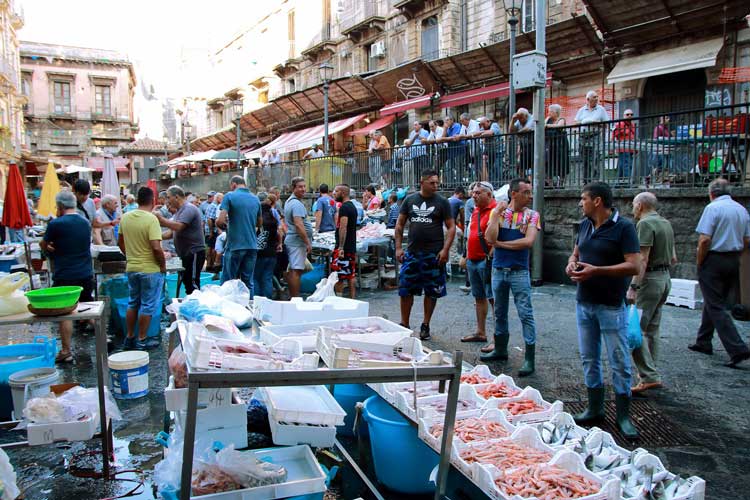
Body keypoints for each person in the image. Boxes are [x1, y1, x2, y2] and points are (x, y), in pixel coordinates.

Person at [565, 181, 641, 438]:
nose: (580, 202)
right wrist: (572, 263)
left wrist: (597, 271)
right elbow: (575, 253)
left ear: (597, 201)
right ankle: (594, 408)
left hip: (610, 305)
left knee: (618, 360)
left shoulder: (624, 227)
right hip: (584, 302)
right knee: (589, 358)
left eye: (583, 198)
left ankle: (623, 416)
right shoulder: (585, 225)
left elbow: (634, 266)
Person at [482, 178, 540, 377]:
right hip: (499, 269)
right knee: (499, 311)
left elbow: (528, 241)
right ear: (513, 193)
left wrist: (502, 245)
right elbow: (489, 238)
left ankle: (529, 357)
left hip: (518, 270)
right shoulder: (499, 213)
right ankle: (500, 349)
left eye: (530, 192)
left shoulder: (532, 215)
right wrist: (496, 213)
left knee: (525, 313)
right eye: (526, 192)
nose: (530, 196)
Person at [691, 178, 750, 367]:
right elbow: (747, 239)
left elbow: (704, 240)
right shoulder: (741, 209)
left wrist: (700, 262)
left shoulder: (713, 208)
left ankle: (737, 348)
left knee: (716, 306)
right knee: (714, 300)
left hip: (714, 258)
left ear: (711, 193)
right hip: (733, 258)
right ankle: (704, 341)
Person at [395, 169, 456, 340]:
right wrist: (399, 248)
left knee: (432, 291)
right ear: (422, 182)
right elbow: (399, 225)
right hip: (412, 253)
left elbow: (451, 227)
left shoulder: (442, 202)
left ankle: (425, 324)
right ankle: (405, 324)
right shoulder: (410, 199)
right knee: (405, 289)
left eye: (437, 182)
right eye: (432, 183)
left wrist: (445, 250)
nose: (436, 186)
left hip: (434, 255)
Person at [627, 192, 676, 393]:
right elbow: (673, 258)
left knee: (634, 330)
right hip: (665, 279)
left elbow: (643, 259)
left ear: (639, 206)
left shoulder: (645, 225)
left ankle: (648, 375)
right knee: (652, 329)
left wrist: (634, 286)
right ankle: (649, 371)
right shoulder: (666, 223)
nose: (632, 208)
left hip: (650, 280)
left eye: (633, 204)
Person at [40, 191, 95, 363]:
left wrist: (51, 250)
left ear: (61, 206)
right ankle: (103, 336)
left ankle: (66, 351)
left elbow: (43, 243)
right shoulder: (85, 222)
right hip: (85, 272)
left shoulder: (56, 224)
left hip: (65, 274)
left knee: (66, 312)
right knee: (89, 306)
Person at [118, 187, 166, 350]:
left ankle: (129, 337)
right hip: (149, 269)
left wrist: (130, 256)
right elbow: (156, 248)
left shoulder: (125, 217)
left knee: (133, 303)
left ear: (138, 200)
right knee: (147, 304)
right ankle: (142, 339)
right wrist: (162, 265)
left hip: (132, 267)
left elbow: (120, 242)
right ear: (153, 201)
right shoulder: (151, 219)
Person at [460, 181, 497, 346]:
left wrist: (490, 255)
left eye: (478, 193)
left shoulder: (496, 211)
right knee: (479, 297)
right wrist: (465, 254)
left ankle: (498, 337)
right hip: (473, 260)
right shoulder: (476, 211)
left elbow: (499, 236)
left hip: (486, 261)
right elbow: (470, 234)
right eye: (473, 192)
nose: (473, 196)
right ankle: (481, 332)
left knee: (493, 299)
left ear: (489, 195)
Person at [154, 185, 206, 296]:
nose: (167, 201)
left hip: (194, 252)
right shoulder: (179, 212)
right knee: (187, 283)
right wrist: (155, 236)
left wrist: (161, 219)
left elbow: (178, 227)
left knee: (192, 284)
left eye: (168, 197)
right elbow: (171, 233)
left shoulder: (189, 209)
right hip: (186, 253)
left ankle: (195, 306)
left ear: (176, 197)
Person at [217, 176, 261, 295]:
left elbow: (220, 221)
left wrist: (226, 226)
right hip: (252, 245)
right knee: (248, 283)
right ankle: (250, 308)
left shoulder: (229, 196)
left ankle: (228, 310)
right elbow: (259, 223)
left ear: (233, 185)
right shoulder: (256, 199)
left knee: (229, 282)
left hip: (235, 245)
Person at [284, 177, 313, 297]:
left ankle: (293, 297)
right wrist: (307, 242)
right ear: (293, 188)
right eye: (300, 187)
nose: (303, 189)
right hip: (297, 242)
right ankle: (295, 298)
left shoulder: (291, 202)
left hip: (294, 241)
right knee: (296, 270)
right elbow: (298, 224)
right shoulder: (296, 204)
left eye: (304, 186)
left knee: (294, 270)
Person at [574, 91, 610, 183]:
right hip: (583, 137)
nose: (597, 99)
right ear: (588, 99)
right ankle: (586, 181)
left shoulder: (601, 109)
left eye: (597, 97)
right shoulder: (581, 110)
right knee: (584, 160)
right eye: (594, 97)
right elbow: (575, 123)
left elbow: (606, 124)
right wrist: (584, 121)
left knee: (596, 159)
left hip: (595, 136)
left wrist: (596, 122)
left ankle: (595, 181)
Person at [253, 192, 281, 299]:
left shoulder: (256, 219)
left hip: (258, 253)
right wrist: (279, 244)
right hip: (271, 253)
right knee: (267, 278)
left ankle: (257, 303)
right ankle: (268, 301)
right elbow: (279, 232)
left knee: (255, 278)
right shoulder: (273, 218)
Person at [332, 184, 357, 299]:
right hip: (351, 246)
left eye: (336, 191)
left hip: (344, 248)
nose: (334, 193)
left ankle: (339, 299)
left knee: (339, 276)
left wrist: (341, 247)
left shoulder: (344, 208)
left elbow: (343, 227)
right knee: (351, 274)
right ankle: (352, 300)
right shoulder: (352, 206)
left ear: (343, 193)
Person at [545, 104, 570, 187]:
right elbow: (541, 126)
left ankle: (561, 184)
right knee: (549, 166)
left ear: (554, 112)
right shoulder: (548, 120)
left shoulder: (561, 119)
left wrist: (547, 126)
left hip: (561, 146)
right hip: (551, 147)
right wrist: (546, 121)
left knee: (561, 165)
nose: (548, 113)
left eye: (549, 111)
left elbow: (560, 126)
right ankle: (551, 185)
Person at [612, 109, 636, 182]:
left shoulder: (632, 125)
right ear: (624, 116)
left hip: (630, 149)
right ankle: (627, 182)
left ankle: (619, 183)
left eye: (631, 114)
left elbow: (633, 137)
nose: (630, 116)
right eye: (627, 114)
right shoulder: (620, 124)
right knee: (626, 166)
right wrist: (612, 148)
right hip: (623, 149)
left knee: (622, 166)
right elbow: (613, 135)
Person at [509, 108, 535, 177]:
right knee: (521, 167)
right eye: (519, 118)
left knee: (533, 166)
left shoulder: (531, 118)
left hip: (533, 146)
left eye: (521, 118)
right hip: (524, 146)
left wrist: (518, 133)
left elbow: (527, 128)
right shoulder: (519, 120)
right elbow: (511, 131)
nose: (520, 120)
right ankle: (522, 181)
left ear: (526, 116)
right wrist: (512, 120)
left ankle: (531, 184)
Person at [205, 192, 222, 269]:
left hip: (211, 229)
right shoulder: (214, 206)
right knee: (213, 247)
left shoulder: (212, 205)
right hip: (212, 230)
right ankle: (211, 265)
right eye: (222, 198)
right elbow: (209, 219)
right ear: (218, 198)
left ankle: (209, 264)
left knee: (211, 247)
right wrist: (211, 231)